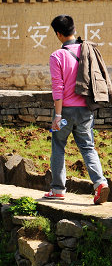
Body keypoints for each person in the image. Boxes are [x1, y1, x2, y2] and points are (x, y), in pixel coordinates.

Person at [45, 15, 109, 204]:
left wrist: (57, 115)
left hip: (65, 112)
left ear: (58, 34)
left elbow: (58, 88)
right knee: (88, 147)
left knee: (58, 145)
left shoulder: (57, 56)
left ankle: (57, 189)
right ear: (74, 29)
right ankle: (100, 183)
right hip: (85, 111)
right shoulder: (87, 50)